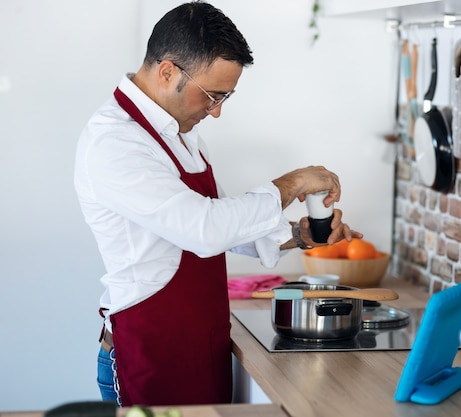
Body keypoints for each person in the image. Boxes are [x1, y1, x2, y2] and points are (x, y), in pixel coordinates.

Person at [74, 1, 361, 407]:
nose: (218, 111)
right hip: (149, 350)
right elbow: (204, 230)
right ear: (168, 71)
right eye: (212, 95)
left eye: (225, 97)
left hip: (198, 340)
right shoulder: (116, 143)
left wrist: (298, 236)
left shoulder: (179, 132)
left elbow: (225, 224)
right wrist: (293, 181)